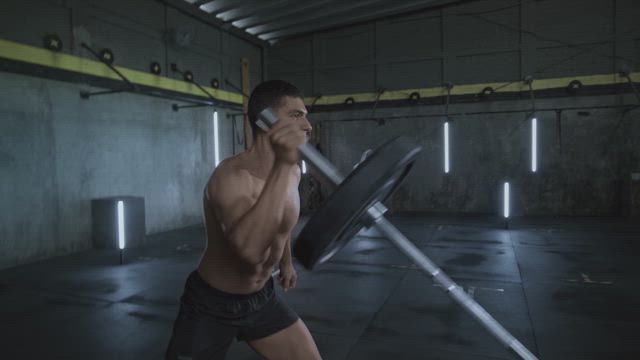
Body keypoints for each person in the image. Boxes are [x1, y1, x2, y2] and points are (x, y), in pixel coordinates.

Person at [165, 80, 321, 360]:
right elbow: (248, 253)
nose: (308, 126)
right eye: (296, 115)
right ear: (266, 122)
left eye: (305, 115)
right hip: (212, 304)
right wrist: (284, 164)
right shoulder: (231, 178)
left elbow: (282, 222)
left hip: (261, 299)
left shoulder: (293, 172)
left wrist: (286, 262)